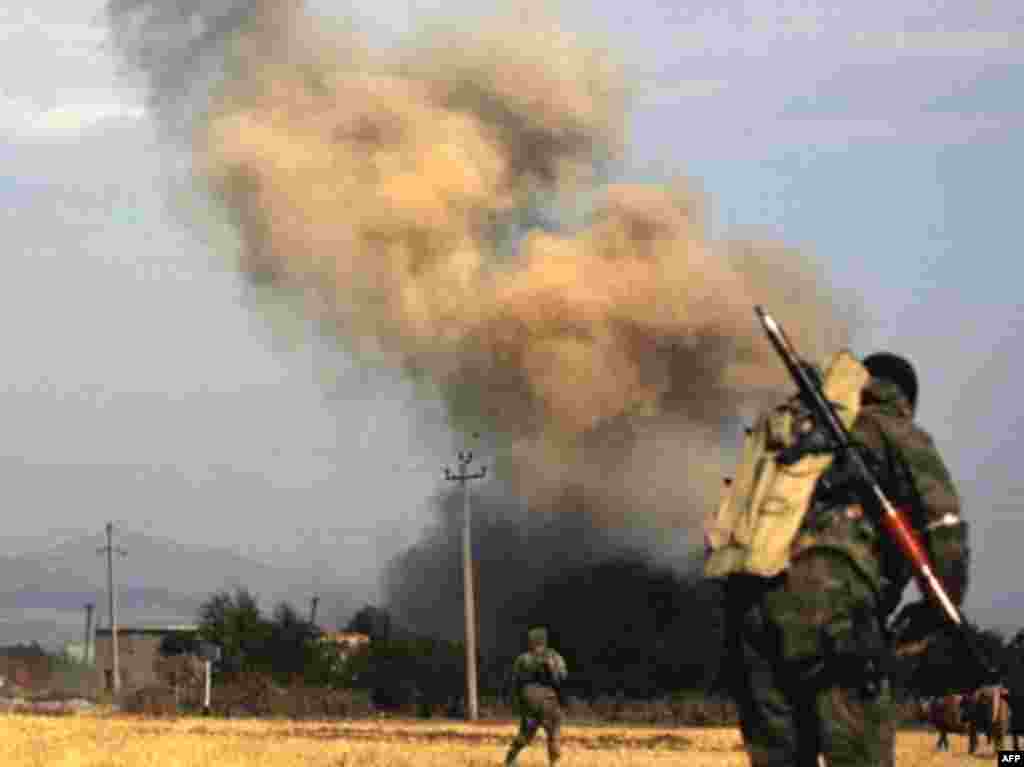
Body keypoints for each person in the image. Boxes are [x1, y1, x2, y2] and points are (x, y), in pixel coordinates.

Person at [704, 350, 970, 767]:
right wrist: (938, 611)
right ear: (904, 398)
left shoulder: (793, 431)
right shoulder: (889, 427)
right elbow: (944, 527)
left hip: (750, 609)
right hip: (832, 612)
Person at [505, 627, 568, 766]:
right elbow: (563, 677)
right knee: (553, 733)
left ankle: (510, 758)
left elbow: (515, 682)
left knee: (525, 734)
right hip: (549, 701)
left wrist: (517, 702)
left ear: (531, 641)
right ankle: (554, 763)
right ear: (545, 641)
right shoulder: (554, 656)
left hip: (529, 701)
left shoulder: (523, 659)